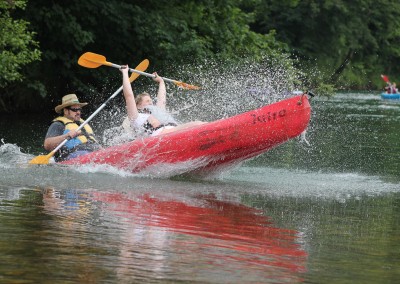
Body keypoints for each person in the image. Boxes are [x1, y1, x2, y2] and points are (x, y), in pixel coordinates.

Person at [120, 65, 204, 137]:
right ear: (138, 105)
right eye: (147, 101)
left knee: (199, 124)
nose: (151, 103)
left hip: (174, 130)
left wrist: (161, 82)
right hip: (161, 137)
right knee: (198, 124)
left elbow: (161, 99)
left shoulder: (156, 112)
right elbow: (129, 96)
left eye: (151, 101)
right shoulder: (135, 117)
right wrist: (125, 73)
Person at [44, 94, 102, 162]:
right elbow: (47, 144)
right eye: (74, 109)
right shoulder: (58, 124)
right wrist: (67, 135)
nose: (78, 112)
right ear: (66, 111)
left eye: (79, 109)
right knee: (88, 154)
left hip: (93, 151)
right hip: (72, 155)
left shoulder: (82, 123)